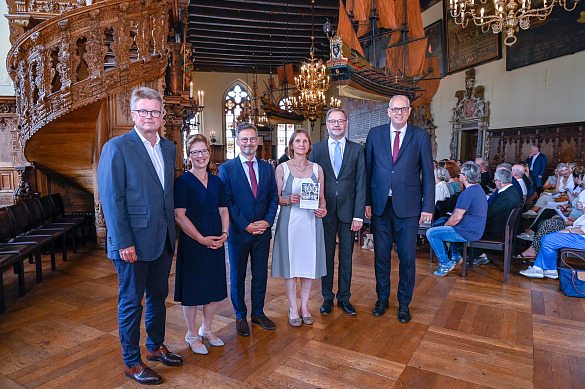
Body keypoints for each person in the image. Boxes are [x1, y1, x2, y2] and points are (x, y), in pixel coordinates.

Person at [97, 87, 182, 385]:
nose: (150, 116)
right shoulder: (117, 147)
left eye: (155, 112)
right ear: (133, 114)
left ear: (161, 116)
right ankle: (132, 361)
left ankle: (155, 346)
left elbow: (164, 195)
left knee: (159, 296)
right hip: (131, 242)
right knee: (132, 301)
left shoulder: (169, 148)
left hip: (163, 239)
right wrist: (122, 242)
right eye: (144, 111)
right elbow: (111, 199)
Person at [365, 95, 434, 323]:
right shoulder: (375, 135)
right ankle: (382, 299)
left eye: (403, 109)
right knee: (381, 256)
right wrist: (366, 202)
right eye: (395, 109)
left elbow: (428, 175)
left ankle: (404, 303)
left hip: (409, 207)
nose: (399, 113)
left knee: (407, 257)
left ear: (409, 111)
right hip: (381, 206)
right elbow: (367, 171)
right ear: (388, 111)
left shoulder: (421, 136)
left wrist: (428, 206)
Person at [218, 122, 279, 337]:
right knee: (237, 276)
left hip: (262, 232)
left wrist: (267, 221)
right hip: (239, 233)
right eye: (244, 139)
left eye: (253, 139)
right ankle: (240, 315)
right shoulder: (226, 169)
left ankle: (259, 313)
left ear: (257, 141)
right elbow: (227, 201)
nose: (249, 143)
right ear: (237, 142)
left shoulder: (267, 168)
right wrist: (245, 224)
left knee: (260, 274)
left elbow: (273, 198)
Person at [174, 134, 229, 355]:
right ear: (189, 156)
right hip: (194, 244)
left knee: (214, 288)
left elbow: (223, 210)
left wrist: (224, 233)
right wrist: (200, 238)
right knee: (193, 289)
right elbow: (180, 216)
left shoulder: (216, 181)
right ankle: (191, 334)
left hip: (216, 241)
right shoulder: (182, 182)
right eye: (195, 152)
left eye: (203, 151)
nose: (200, 156)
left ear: (209, 153)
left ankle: (206, 329)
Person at [309, 108, 366, 316]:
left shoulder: (357, 150)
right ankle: (326, 297)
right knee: (326, 257)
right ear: (327, 123)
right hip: (324, 212)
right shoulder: (317, 150)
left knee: (346, 257)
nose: (336, 125)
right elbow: (312, 182)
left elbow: (361, 184)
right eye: (332, 121)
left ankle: (344, 297)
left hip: (349, 212)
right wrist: (314, 206)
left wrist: (359, 215)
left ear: (345, 123)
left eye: (340, 121)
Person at [272, 129, 327, 326]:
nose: (301, 144)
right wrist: (288, 200)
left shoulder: (317, 169)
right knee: (291, 267)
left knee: (307, 266)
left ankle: (305, 306)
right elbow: (275, 198)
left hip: (311, 223)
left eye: (305, 141)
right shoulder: (282, 169)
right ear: (292, 145)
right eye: (297, 141)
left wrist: (323, 209)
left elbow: (322, 199)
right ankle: (293, 307)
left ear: (309, 145)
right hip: (290, 223)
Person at [426, 162, 488, 276]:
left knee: (431, 233)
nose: (459, 176)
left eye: (460, 173)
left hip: (467, 231)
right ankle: (455, 256)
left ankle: (445, 263)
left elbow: (456, 218)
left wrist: (443, 227)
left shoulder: (467, 193)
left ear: (465, 177)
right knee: (444, 226)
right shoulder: (478, 189)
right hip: (475, 229)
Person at [470, 168, 522, 265]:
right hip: (503, 226)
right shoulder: (512, 191)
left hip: (497, 229)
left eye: (494, 181)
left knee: (469, 225)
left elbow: (489, 213)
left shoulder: (506, 196)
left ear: (499, 181)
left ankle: (477, 255)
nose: (494, 183)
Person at [518, 214, 585, 279]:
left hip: (582, 238)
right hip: (579, 234)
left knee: (548, 240)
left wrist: (569, 230)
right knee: (548, 237)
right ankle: (540, 268)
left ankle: (548, 269)